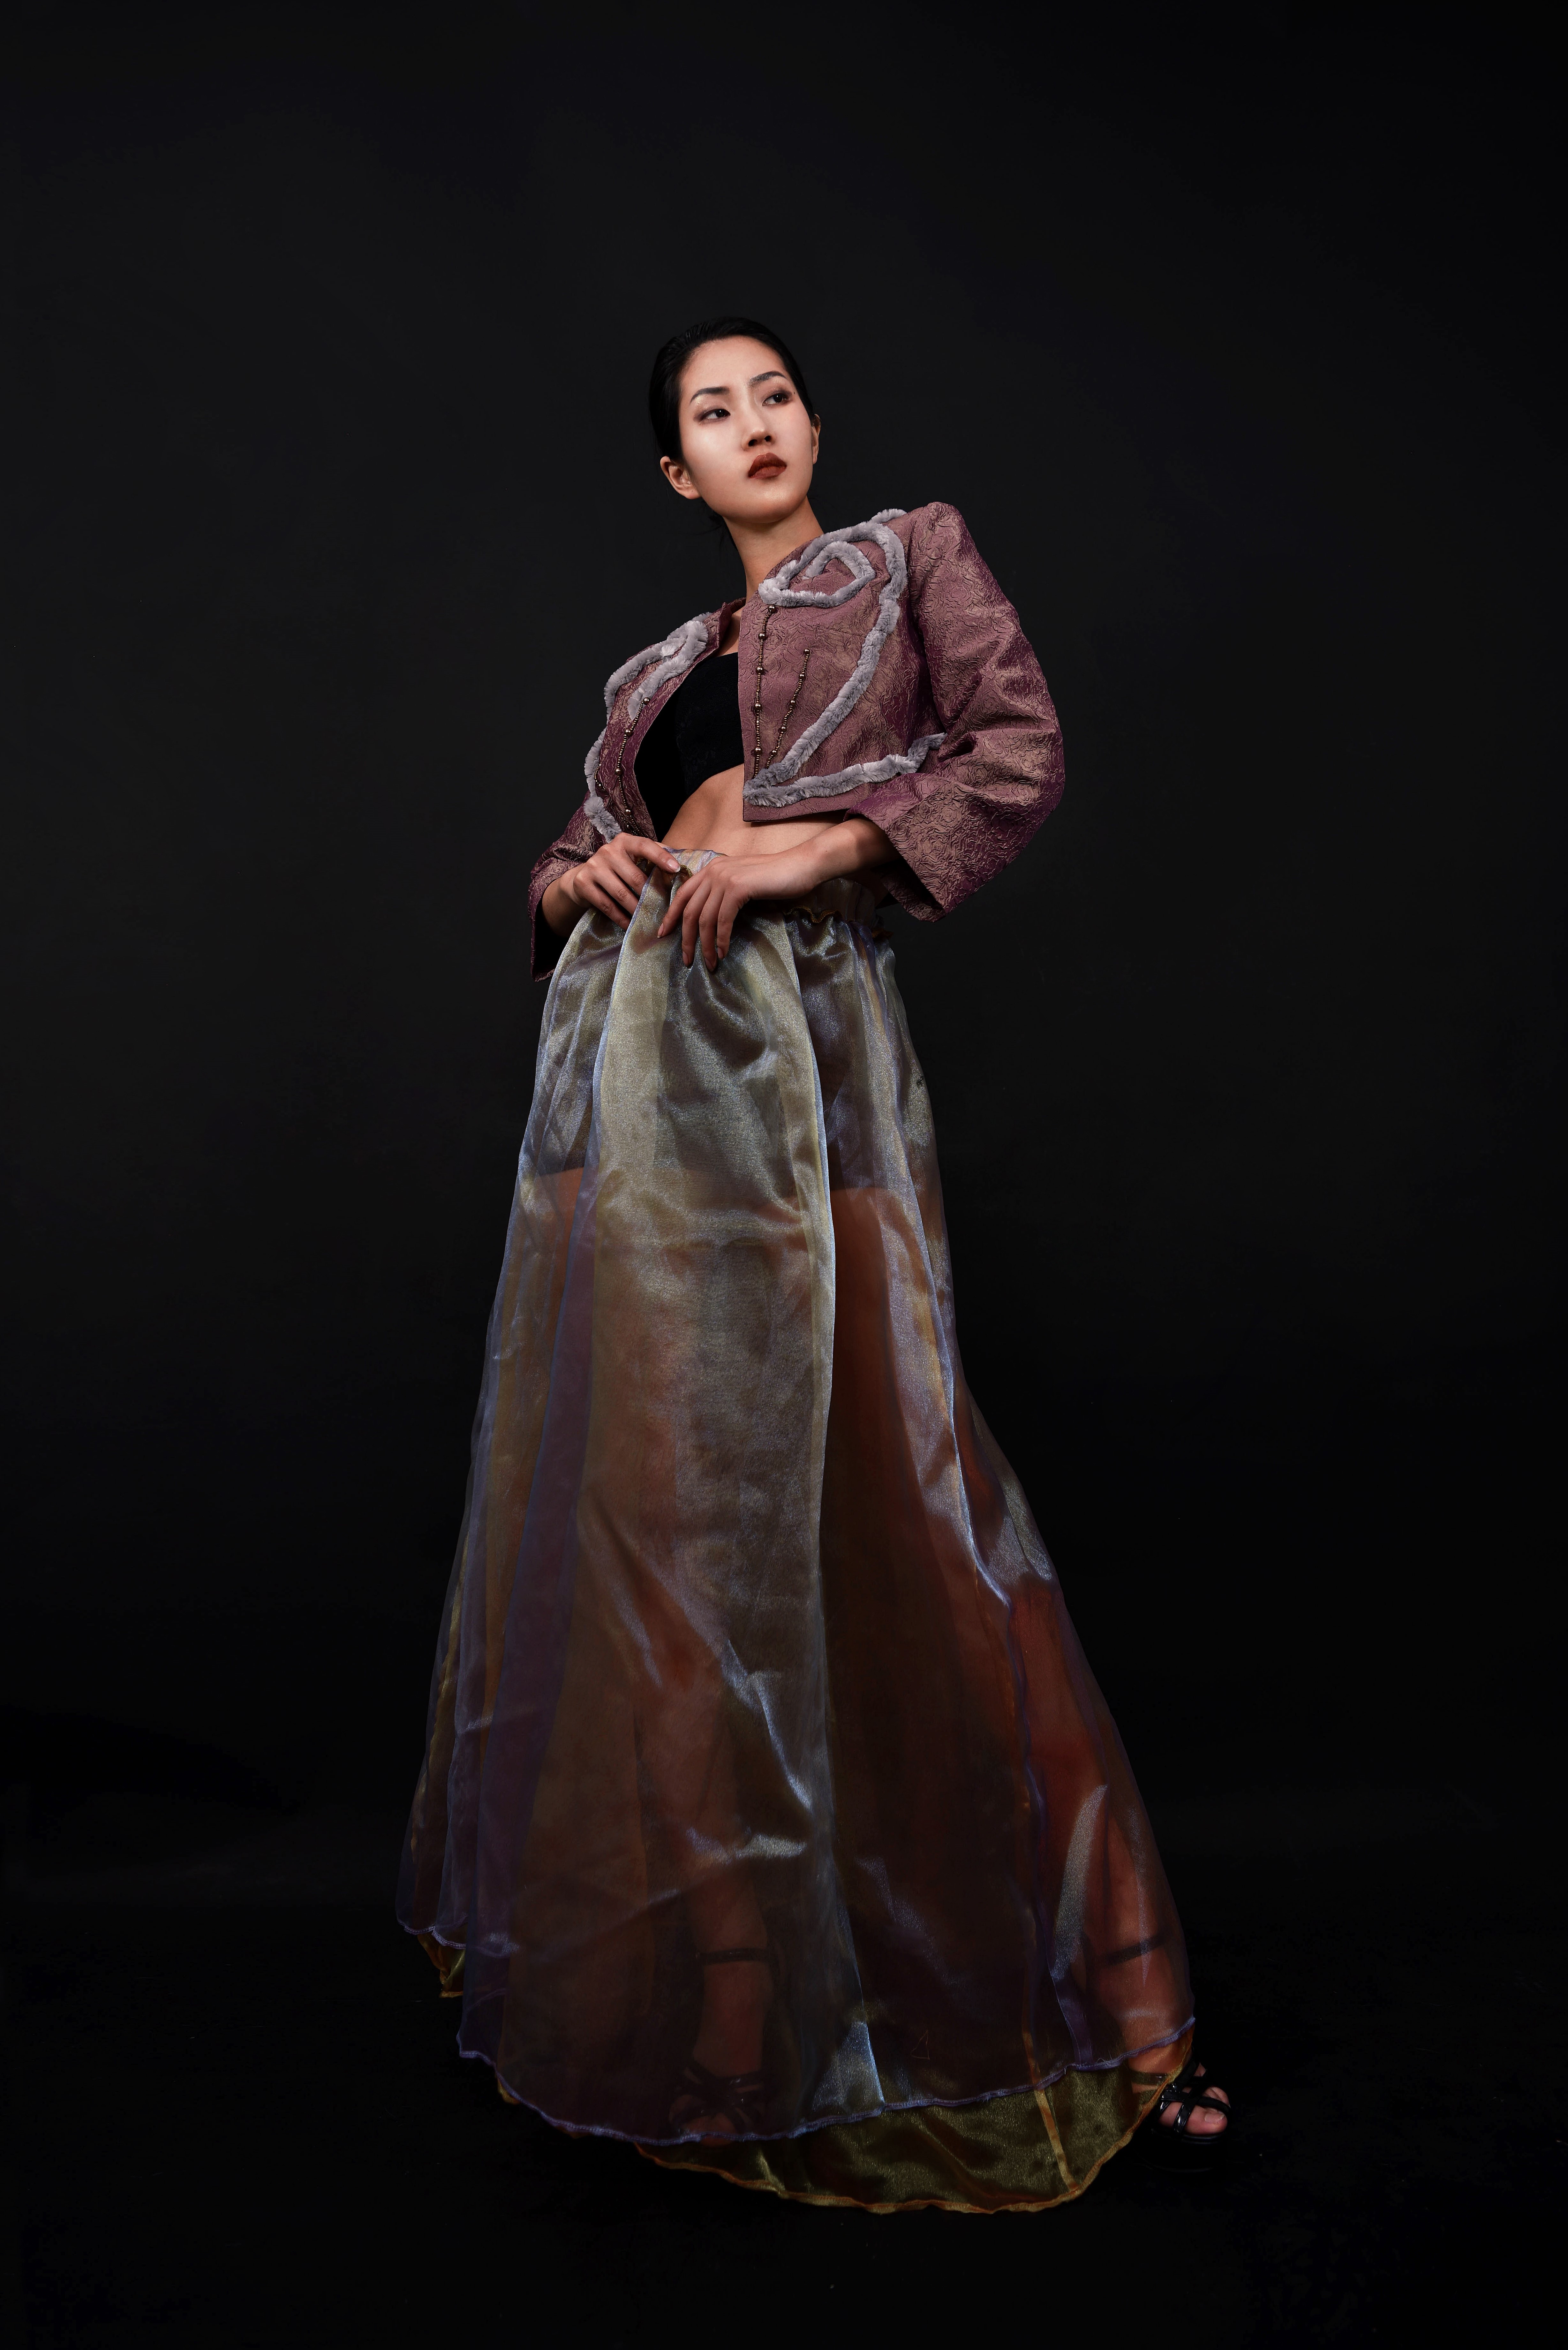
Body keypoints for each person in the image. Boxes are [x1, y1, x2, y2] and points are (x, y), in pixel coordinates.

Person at [398, 315, 1232, 2210]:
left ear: (812, 423)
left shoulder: (909, 559)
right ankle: (734, 2031)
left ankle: (1131, 2004)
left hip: (805, 1063)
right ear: (677, 473)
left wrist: (810, 852)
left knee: (921, 1501)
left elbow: (1014, 755)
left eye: (772, 394)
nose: (754, 423)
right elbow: (572, 850)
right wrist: (576, 881)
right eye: (715, 412)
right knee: (671, 1537)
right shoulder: (648, 676)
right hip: (632, 1086)